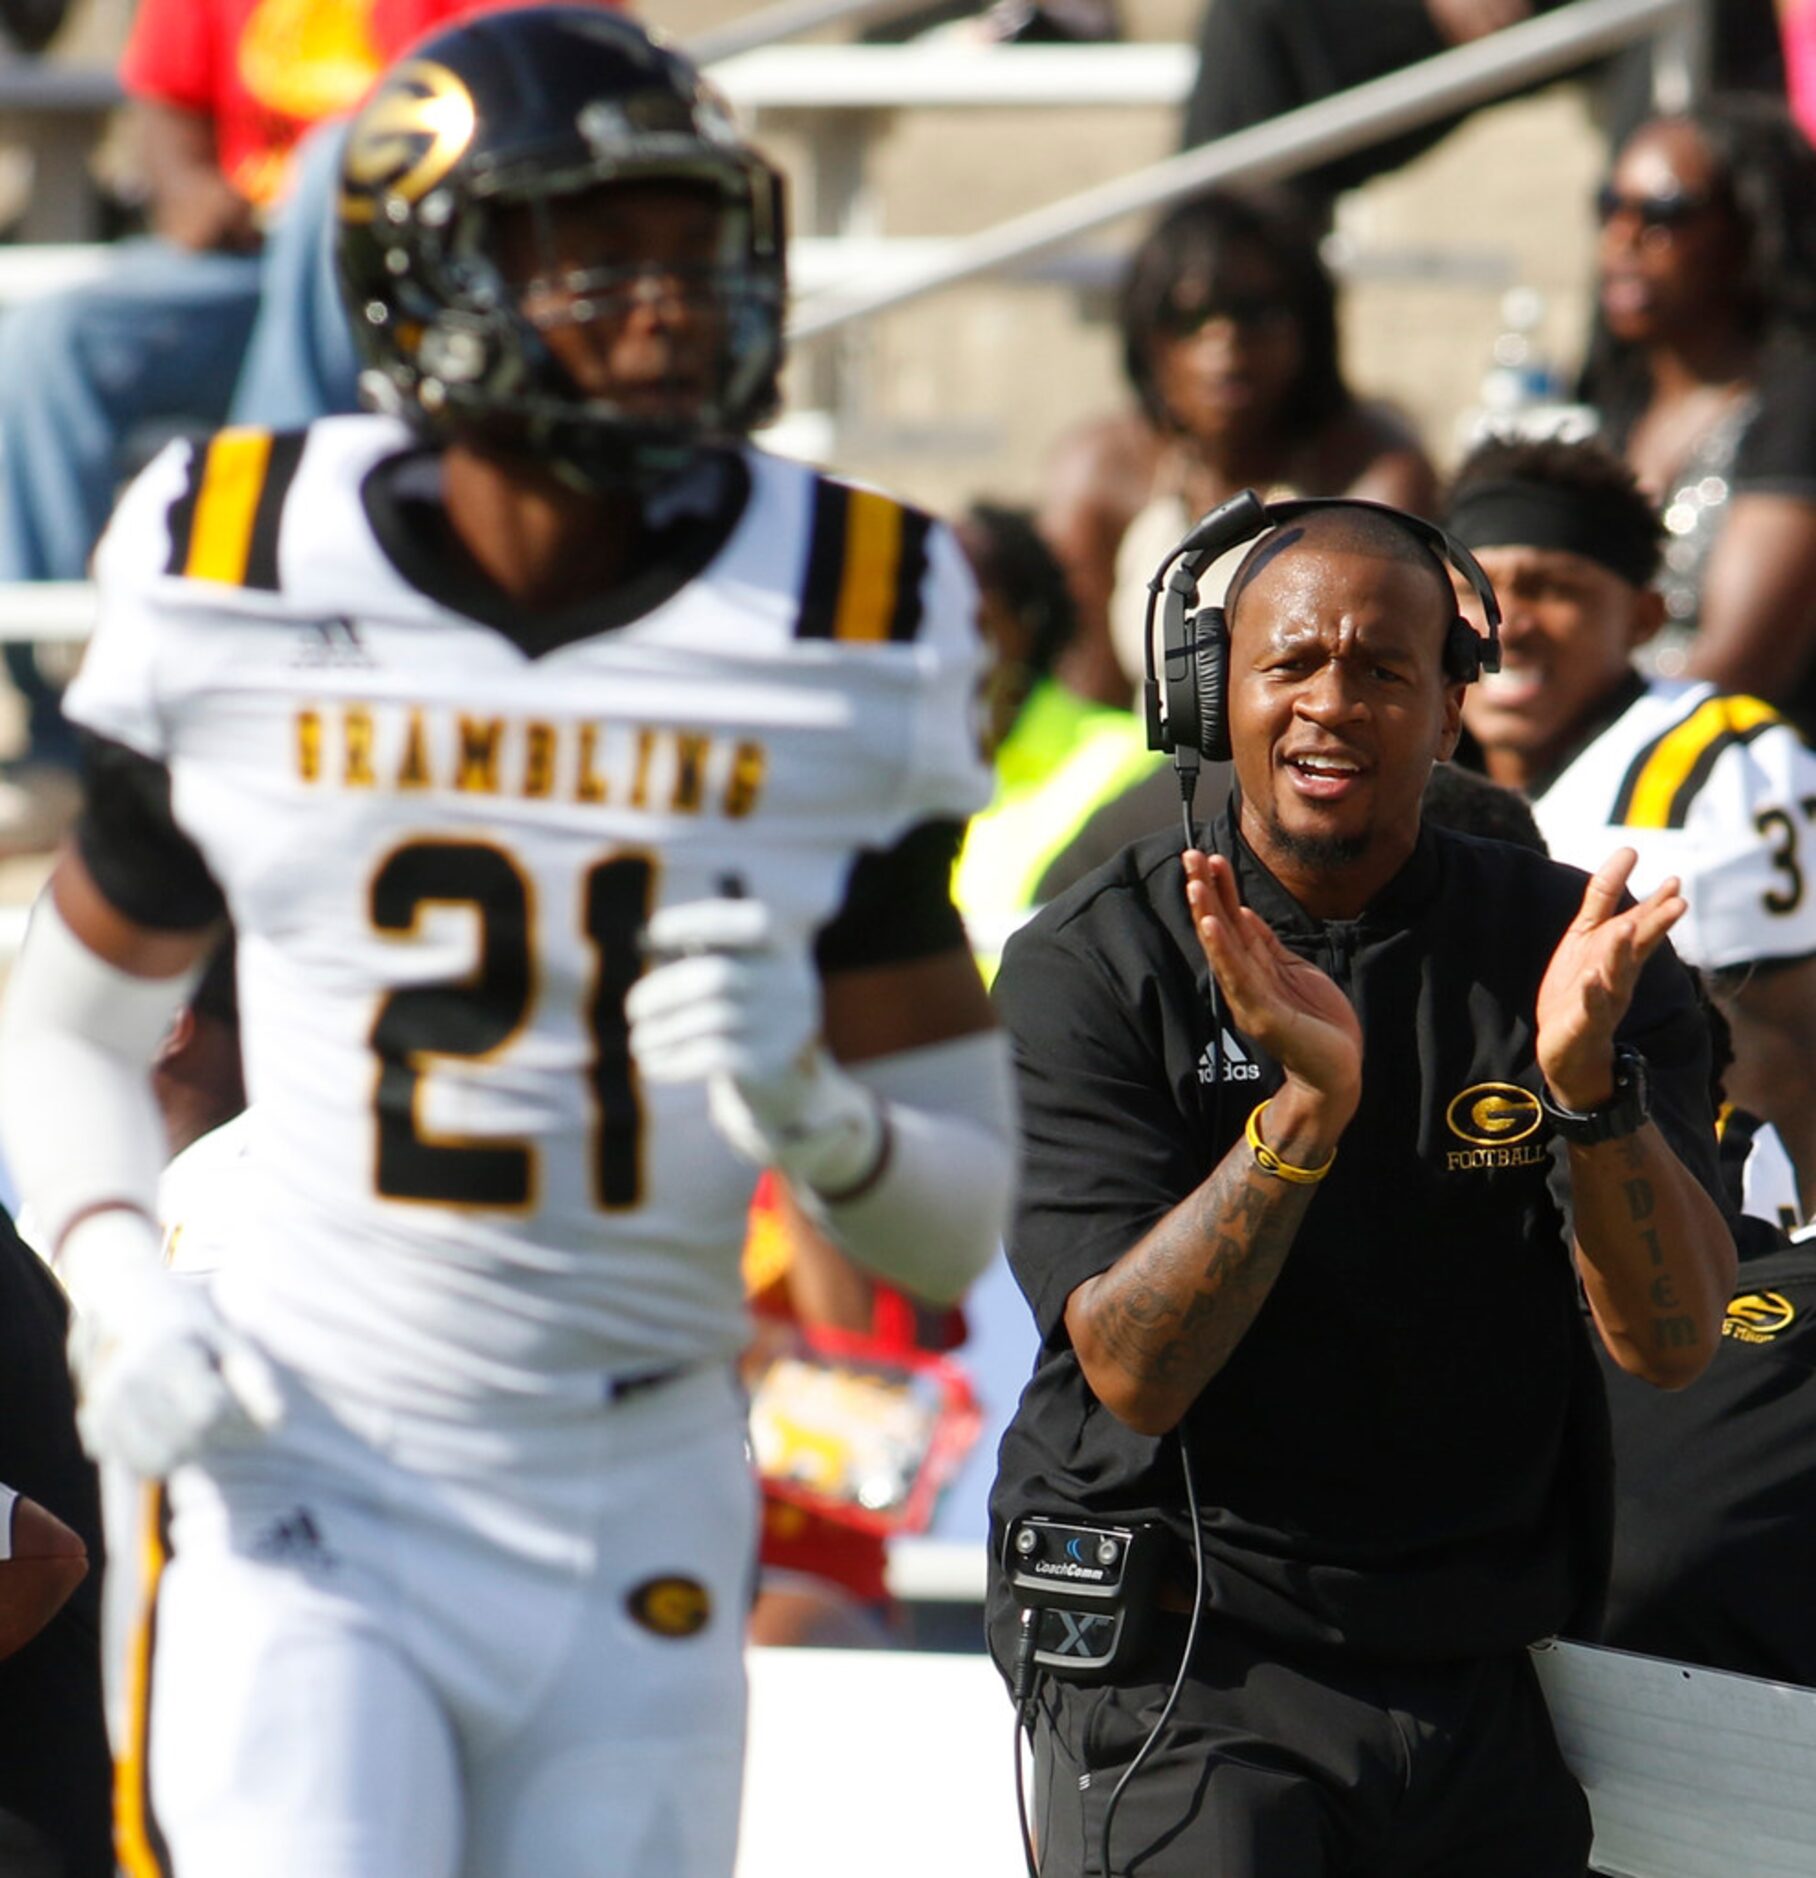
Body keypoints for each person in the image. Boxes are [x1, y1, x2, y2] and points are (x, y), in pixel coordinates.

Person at [0, 11, 1016, 1875]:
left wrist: (816, 1113)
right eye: (596, 249)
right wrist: (118, 1284)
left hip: (641, 1481)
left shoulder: (849, 607)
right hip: (310, 1457)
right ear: (428, 272)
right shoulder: (239, 556)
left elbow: (950, 1216)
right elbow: (65, 1029)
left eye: (692, 242)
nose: (667, 303)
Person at [987, 496, 1736, 1876]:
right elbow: (1133, 1373)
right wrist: (1303, 1117)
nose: (1334, 702)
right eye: (1292, 664)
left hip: (1469, 1668)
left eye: (1384, 668)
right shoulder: (1094, 963)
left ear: (1454, 707)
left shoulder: (1577, 954)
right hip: (1186, 1666)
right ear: (1215, 692)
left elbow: (1675, 1341)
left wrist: (1588, 1093)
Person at [1448, 432, 1816, 1223]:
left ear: (1644, 615)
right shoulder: (1400, 750)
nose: (1512, 623)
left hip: (1690, 1219)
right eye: (1482, 589)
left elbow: (1780, 1052)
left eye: (1556, 588)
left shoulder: (1708, 771)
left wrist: (1757, 1258)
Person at [1039, 189, 1437, 711]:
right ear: (1146, 337)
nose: (1224, 342)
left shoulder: (1375, 473)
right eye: (1189, 317)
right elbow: (1084, 709)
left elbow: (1393, 702)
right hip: (1146, 783)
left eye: (1256, 313)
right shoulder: (1099, 471)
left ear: (1308, 330)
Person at [1578, 97, 1816, 730]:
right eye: (1610, 206)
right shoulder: (1621, 398)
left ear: (1749, 230)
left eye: (1664, 214)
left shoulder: (1796, 402)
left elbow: (1740, 664)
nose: (1623, 238)